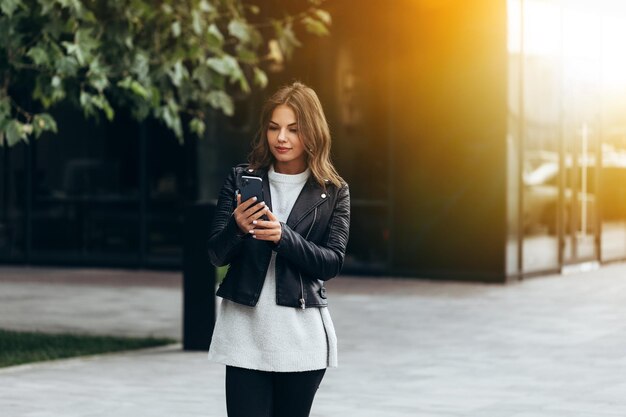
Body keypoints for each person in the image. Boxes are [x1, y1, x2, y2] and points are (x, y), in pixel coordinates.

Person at [207, 81, 350, 417]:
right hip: (245, 332)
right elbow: (215, 254)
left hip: (301, 338)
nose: (281, 138)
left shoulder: (333, 191)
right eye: (274, 128)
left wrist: (284, 238)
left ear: (312, 134)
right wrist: (237, 228)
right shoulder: (241, 179)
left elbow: (331, 263)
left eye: (293, 129)